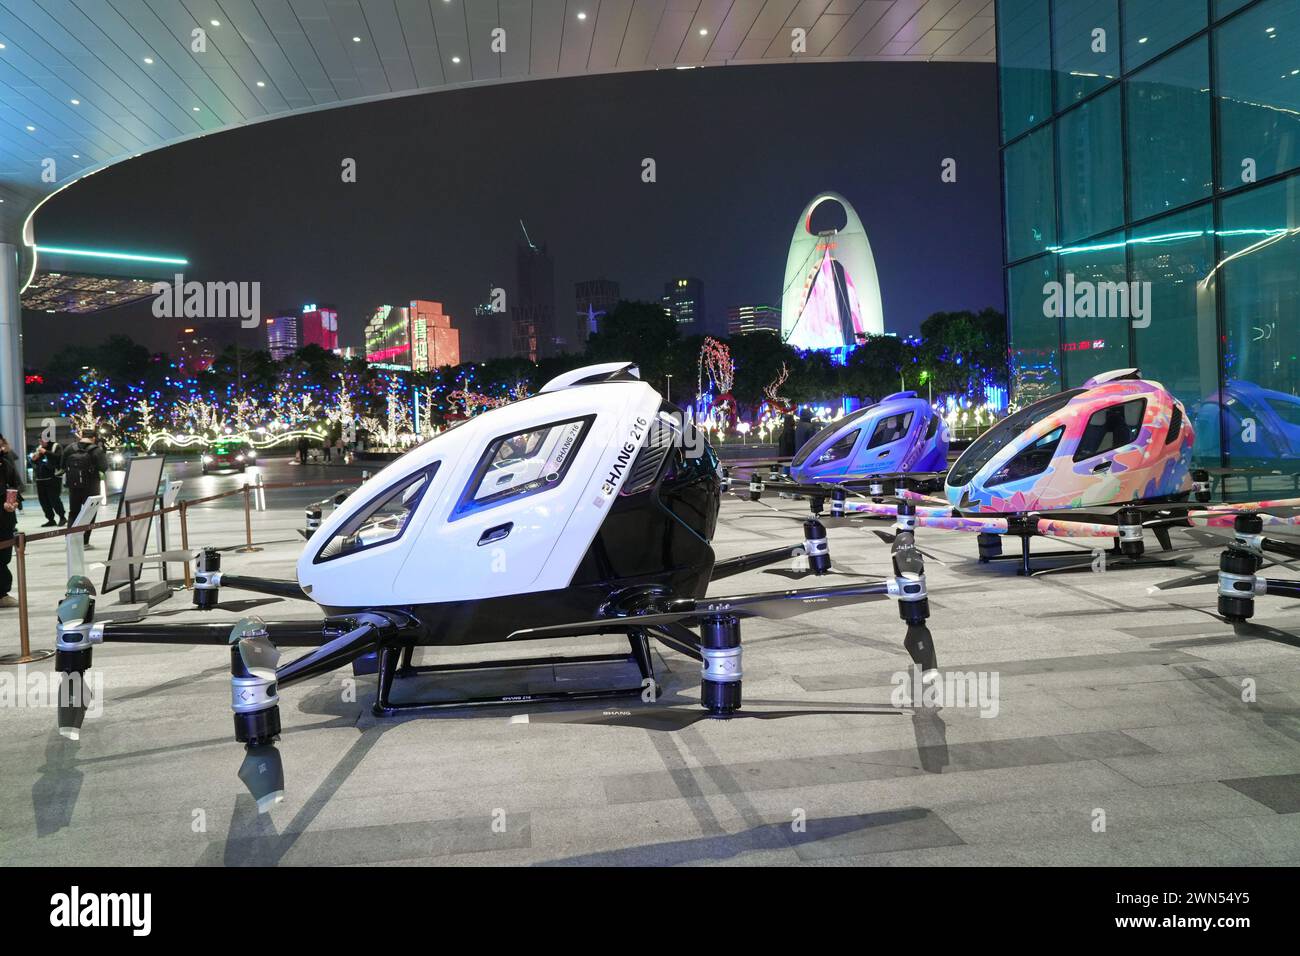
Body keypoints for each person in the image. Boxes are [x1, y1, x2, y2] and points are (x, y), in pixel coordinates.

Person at [63, 430, 108, 546]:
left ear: (82, 436)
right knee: (90, 512)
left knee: (73, 512)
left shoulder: (70, 448)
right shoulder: (96, 450)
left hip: (74, 486)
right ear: (93, 438)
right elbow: (103, 467)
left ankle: (70, 540)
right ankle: (84, 541)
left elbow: (62, 465)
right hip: (92, 486)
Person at [0, 434, 22, 609]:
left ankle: (2, 594)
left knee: (4, 556)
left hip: (6, 519)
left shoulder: (5, 464)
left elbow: (15, 485)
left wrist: (14, 501)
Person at [30, 438, 67, 527]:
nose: (40, 443)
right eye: (39, 441)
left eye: (42, 441)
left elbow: (58, 457)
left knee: (54, 499)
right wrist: (34, 459)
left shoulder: (56, 446)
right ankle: (51, 519)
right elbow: (34, 461)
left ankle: (62, 517)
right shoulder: (39, 448)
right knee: (43, 501)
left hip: (53, 478)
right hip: (40, 479)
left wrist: (45, 452)